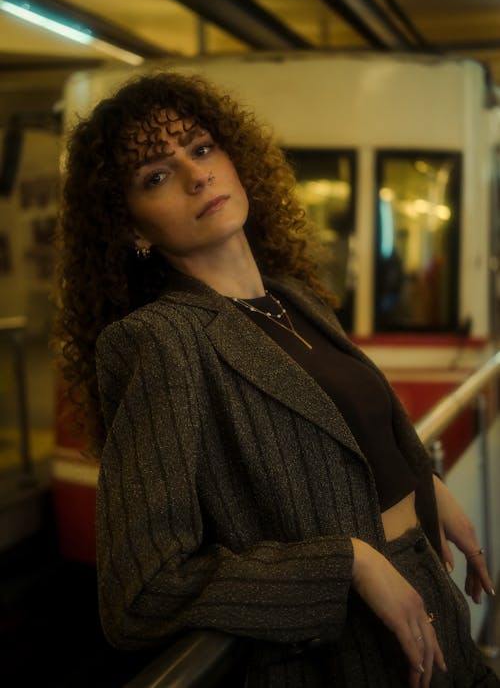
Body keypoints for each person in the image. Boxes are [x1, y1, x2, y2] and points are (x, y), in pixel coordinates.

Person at [55, 71, 499, 688]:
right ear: (132, 228)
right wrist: (345, 564)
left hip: (429, 603)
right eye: (156, 176)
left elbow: (336, 442)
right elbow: (141, 592)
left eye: (202, 148)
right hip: (343, 656)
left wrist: (419, 479)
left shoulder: (291, 299)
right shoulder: (162, 340)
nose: (196, 175)